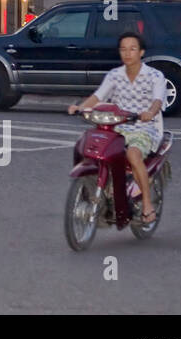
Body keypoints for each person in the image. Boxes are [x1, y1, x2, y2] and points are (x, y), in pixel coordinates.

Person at [68, 32, 165, 224]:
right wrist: (80, 107)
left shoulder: (155, 76)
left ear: (142, 52)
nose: (127, 53)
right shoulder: (114, 75)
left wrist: (150, 112)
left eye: (133, 49)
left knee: (133, 154)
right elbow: (98, 97)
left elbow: (157, 101)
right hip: (115, 126)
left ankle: (147, 204)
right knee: (88, 147)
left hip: (144, 127)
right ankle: (100, 188)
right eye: (123, 49)